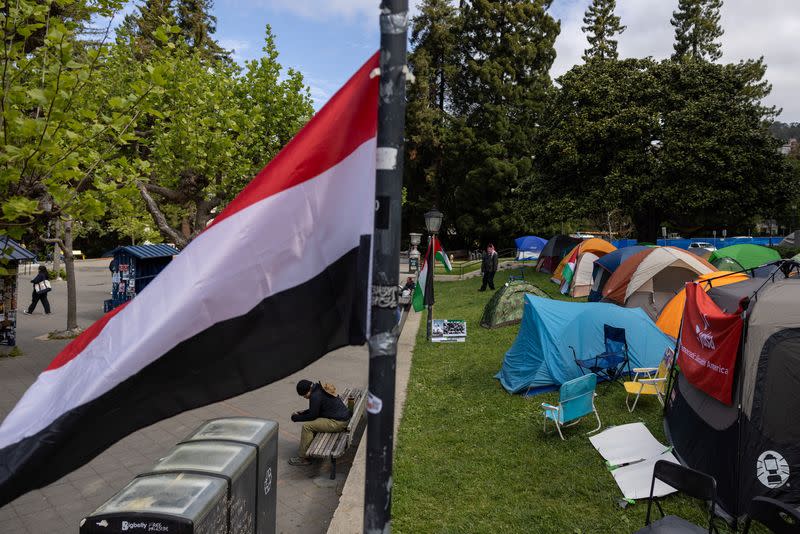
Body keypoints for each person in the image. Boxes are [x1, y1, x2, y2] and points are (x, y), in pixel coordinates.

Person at [288, 379, 350, 466]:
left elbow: (313, 416)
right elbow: (316, 409)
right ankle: (308, 448)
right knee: (313, 423)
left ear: (308, 390)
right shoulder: (318, 389)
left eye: (304, 395)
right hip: (342, 418)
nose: (305, 397)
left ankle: (303, 458)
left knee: (307, 427)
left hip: (337, 422)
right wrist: (303, 412)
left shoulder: (315, 396)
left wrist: (296, 418)